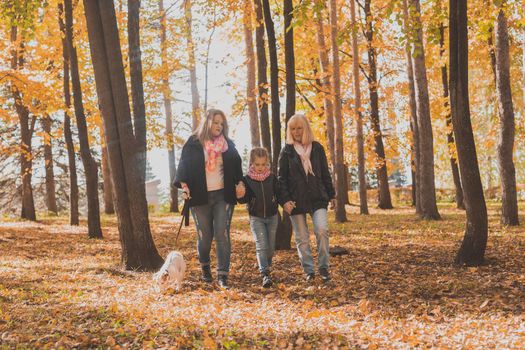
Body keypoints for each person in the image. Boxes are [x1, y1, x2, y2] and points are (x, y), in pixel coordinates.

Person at [173, 109, 245, 289]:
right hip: (199, 196)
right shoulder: (194, 142)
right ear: (207, 122)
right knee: (205, 236)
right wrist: (184, 185)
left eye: (222, 123)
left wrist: (240, 183)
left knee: (222, 233)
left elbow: (237, 166)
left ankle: (223, 275)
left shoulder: (227, 144)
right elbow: (184, 165)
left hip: (223, 195)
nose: (219, 126)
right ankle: (205, 267)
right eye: (216, 122)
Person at [278, 114, 336, 282]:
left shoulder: (317, 148)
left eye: (299, 128)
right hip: (296, 200)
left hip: (318, 197)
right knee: (302, 238)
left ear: (306, 128)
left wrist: (332, 195)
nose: (296, 131)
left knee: (321, 229)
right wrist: (285, 200)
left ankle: (324, 267)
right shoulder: (287, 151)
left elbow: (325, 173)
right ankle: (309, 270)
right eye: (293, 129)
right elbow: (282, 179)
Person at [237, 147, 280, 288]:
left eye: (263, 164)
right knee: (261, 245)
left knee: (271, 248)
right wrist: (240, 194)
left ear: (267, 163)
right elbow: (243, 200)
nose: (260, 168)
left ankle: (266, 265)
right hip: (256, 218)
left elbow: (280, 193)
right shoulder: (247, 180)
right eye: (257, 165)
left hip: (272, 216)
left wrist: (285, 202)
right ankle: (265, 274)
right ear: (251, 164)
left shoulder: (272, 178)